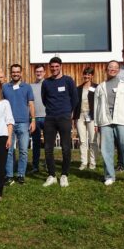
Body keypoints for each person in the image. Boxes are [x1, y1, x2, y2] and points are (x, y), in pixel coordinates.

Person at [94, 60, 124, 185]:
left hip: (121, 120)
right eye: (110, 67)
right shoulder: (100, 87)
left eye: (115, 67)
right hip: (105, 121)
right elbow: (96, 106)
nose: (113, 69)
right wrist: (96, 123)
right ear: (106, 69)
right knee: (106, 150)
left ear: (118, 70)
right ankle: (109, 176)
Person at [41, 57, 78, 187]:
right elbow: (44, 99)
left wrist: (69, 112)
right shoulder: (46, 82)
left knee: (66, 147)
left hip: (64, 118)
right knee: (48, 148)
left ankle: (64, 175)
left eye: (57, 66)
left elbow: (74, 98)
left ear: (61, 66)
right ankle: (51, 175)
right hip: (50, 118)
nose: (54, 69)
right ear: (49, 67)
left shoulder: (68, 81)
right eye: (52, 66)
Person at [3, 64, 35, 185]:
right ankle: (9, 175)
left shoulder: (27, 87)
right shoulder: (5, 87)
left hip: (23, 122)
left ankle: (21, 174)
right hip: (8, 124)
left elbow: (31, 104)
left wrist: (33, 120)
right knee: (9, 150)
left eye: (17, 72)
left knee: (23, 151)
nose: (15, 74)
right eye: (13, 72)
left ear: (21, 73)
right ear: (10, 73)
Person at [73, 67, 98, 170]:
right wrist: (74, 118)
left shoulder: (97, 87)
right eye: (85, 74)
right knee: (82, 141)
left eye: (89, 74)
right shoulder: (78, 88)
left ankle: (92, 162)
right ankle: (83, 162)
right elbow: (75, 104)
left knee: (93, 140)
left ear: (92, 76)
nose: (86, 76)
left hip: (92, 116)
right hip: (80, 116)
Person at [30, 64, 46, 173]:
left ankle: (48, 165)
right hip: (35, 118)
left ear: (44, 72)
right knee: (36, 143)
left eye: (41, 71)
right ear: (35, 73)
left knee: (48, 143)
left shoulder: (48, 84)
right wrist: (32, 118)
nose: (39, 73)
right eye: (37, 71)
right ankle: (35, 166)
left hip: (47, 117)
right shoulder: (30, 86)